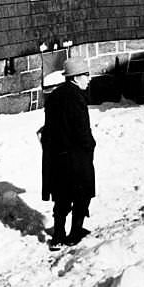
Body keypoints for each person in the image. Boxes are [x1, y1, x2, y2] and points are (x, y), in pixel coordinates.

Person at [41, 57, 96, 249]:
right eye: (85, 75)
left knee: (62, 195)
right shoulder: (77, 98)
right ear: (75, 78)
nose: (88, 79)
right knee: (82, 193)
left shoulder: (55, 95)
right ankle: (74, 233)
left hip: (57, 156)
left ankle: (57, 236)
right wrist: (90, 145)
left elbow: (49, 126)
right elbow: (82, 130)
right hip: (76, 156)